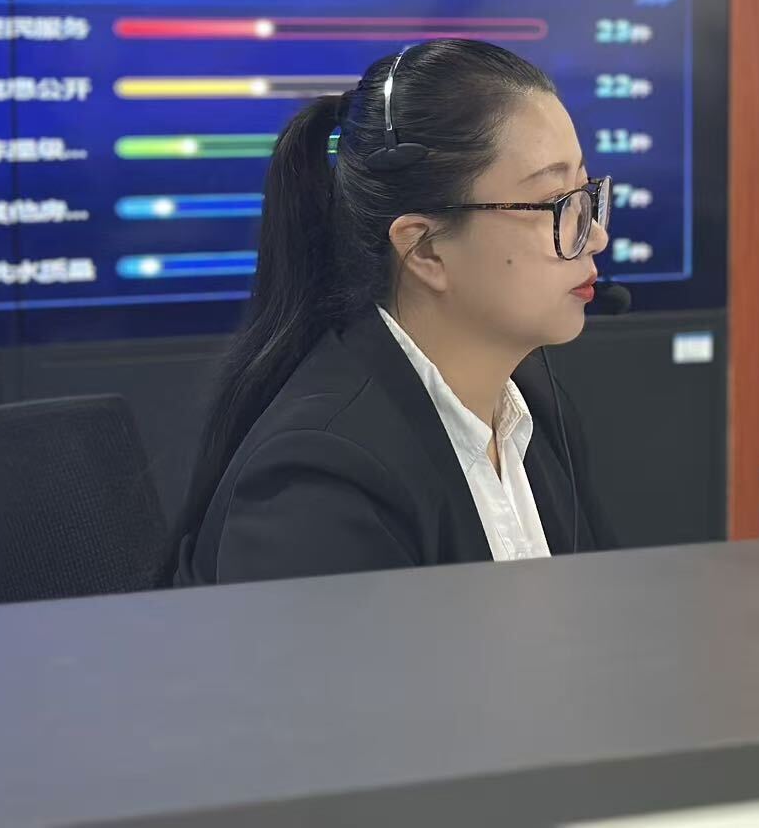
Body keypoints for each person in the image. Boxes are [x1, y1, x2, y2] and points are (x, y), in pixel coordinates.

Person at [172, 39, 618, 586]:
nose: (595, 236)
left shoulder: (533, 408)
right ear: (425, 249)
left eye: (585, 194)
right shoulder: (319, 481)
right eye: (556, 204)